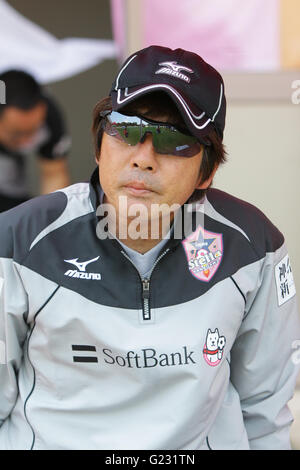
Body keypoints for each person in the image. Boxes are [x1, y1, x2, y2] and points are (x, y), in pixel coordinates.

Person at [0, 45, 299, 451]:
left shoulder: (255, 248)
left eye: (173, 139)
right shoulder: (17, 241)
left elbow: (265, 411)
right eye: (125, 128)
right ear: (98, 142)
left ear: (207, 169)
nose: (143, 158)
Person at [0, 70, 71, 212]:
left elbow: (54, 175)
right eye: (16, 134)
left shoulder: (51, 118)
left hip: (14, 190)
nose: (26, 142)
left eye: (33, 131)